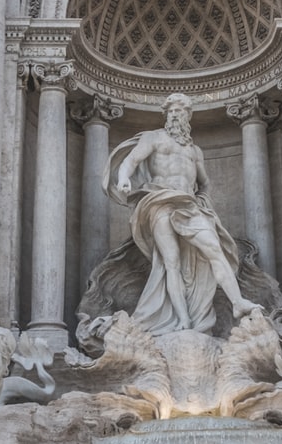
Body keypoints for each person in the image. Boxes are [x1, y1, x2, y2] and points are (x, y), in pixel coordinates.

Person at [105, 93, 259, 334]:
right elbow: (131, 160)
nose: (175, 115)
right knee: (171, 262)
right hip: (159, 202)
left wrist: (203, 202)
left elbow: (205, 182)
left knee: (215, 249)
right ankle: (183, 320)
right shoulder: (154, 138)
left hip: (188, 204)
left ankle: (238, 302)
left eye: (180, 111)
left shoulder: (195, 151)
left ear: (188, 116)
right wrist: (124, 178)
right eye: (171, 111)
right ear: (166, 116)